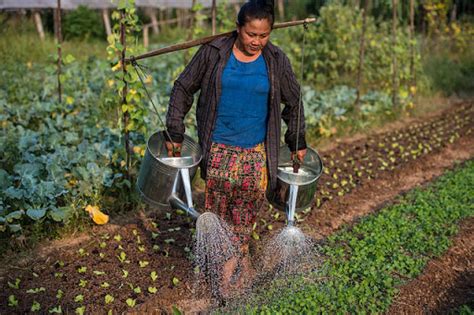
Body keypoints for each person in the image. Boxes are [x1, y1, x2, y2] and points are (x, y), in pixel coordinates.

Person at [165, 0, 307, 298]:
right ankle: (232, 263)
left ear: (270, 32)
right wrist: (174, 131)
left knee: (245, 214)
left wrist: (297, 141)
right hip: (218, 150)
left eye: (263, 35)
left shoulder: (275, 61)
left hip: (256, 152)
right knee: (218, 213)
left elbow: (293, 102)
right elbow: (182, 87)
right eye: (251, 34)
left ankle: (229, 271)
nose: (256, 41)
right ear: (238, 27)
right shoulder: (214, 53)